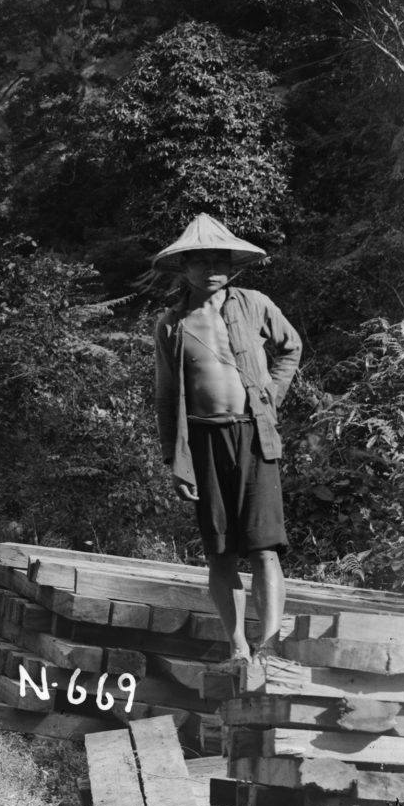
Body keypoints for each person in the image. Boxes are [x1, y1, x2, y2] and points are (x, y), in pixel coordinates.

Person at [153, 213, 301, 666]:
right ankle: (237, 646)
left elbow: (290, 347)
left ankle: (270, 645)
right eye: (200, 260)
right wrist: (173, 462)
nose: (211, 268)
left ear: (231, 263)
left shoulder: (254, 303)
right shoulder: (172, 324)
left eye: (220, 259)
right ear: (184, 268)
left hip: (255, 436)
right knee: (220, 552)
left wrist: (270, 397)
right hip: (203, 442)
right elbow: (164, 396)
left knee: (263, 548)